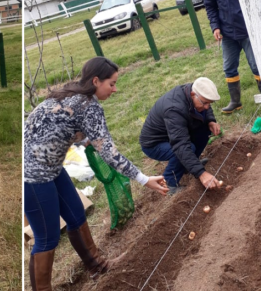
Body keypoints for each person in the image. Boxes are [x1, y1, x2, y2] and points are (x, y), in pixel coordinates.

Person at [24, 57, 168, 290]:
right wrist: (144, 179)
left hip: (49, 166)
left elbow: (57, 126)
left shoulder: (69, 93)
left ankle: (97, 265)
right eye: (111, 84)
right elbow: (110, 154)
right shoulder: (89, 106)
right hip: (32, 176)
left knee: (76, 214)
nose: (115, 89)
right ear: (95, 81)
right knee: (47, 238)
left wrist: (86, 138)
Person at [140, 77, 223, 196]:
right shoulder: (174, 109)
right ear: (193, 94)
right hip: (154, 144)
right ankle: (169, 182)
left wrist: (210, 121)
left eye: (210, 103)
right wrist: (201, 173)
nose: (207, 107)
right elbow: (179, 145)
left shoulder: (193, 92)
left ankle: (186, 166)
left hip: (172, 134)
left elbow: (205, 108)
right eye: (205, 103)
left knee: (204, 129)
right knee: (185, 149)